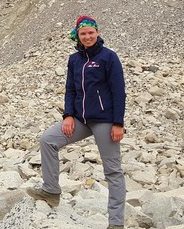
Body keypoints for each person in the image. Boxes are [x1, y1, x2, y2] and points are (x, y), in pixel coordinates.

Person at [27, 15, 126, 229]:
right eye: (83, 33)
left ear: (97, 33)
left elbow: (119, 92)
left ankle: (116, 223)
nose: (88, 36)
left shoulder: (109, 57)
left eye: (91, 32)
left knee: (112, 170)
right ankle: (51, 190)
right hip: (80, 119)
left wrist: (118, 123)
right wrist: (68, 116)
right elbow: (71, 90)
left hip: (104, 120)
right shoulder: (74, 60)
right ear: (78, 37)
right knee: (48, 140)